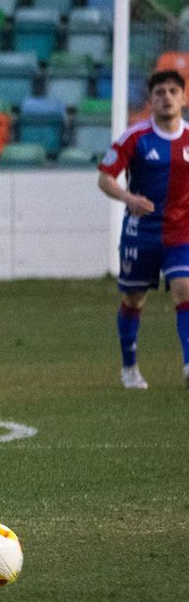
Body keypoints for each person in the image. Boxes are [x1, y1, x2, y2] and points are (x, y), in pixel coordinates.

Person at [98, 67, 189, 389]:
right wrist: (128, 197)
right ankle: (129, 367)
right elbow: (105, 178)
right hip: (142, 232)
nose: (167, 98)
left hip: (181, 231)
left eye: (173, 92)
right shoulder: (135, 137)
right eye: (159, 93)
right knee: (134, 299)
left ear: (184, 98)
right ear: (150, 100)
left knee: (184, 288)